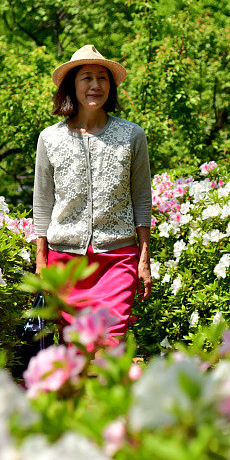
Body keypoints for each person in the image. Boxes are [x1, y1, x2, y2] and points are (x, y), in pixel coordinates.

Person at [32, 44, 152, 344]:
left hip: (117, 259)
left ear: (111, 87)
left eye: (102, 78)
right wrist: (41, 264)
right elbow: (42, 204)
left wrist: (144, 259)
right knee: (78, 352)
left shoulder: (132, 135)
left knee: (108, 345)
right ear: (72, 84)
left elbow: (141, 200)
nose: (95, 85)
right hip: (66, 264)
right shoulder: (50, 138)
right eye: (87, 77)